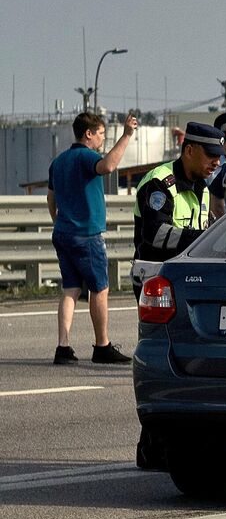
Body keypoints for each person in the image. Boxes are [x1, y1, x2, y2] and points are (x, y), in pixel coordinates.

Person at [46, 111, 139, 365]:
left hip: (63, 233)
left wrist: (59, 222)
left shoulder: (59, 161)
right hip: (86, 234)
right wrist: (127, 135)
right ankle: (102, 345)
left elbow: (51, 199)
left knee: (71, 288)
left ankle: (63, 347)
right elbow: (108, 166)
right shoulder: (87, 157)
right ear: (88, 134)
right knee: (100, 288)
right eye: (100, 134)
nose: (102, 139)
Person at [134, 122, 223, 264]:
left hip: (188, 273)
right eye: (211, 154)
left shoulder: (203, 187)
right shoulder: (160, 181)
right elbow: (154, 233)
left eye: (219, 156)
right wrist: (202, 238)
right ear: (189, 151)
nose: (217, 162)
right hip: (157, 276)